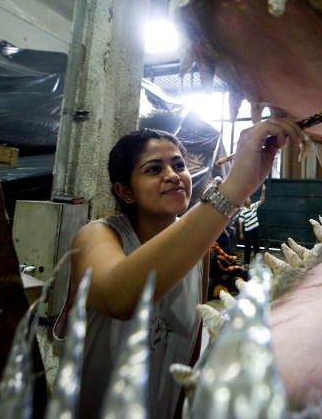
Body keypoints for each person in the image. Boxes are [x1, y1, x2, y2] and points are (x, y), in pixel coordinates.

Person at [56, 118, 302, 419]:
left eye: (178, 165)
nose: (173, 176)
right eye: (154, 169)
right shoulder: (96, 236)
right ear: (125, 192)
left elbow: (191, 344)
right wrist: (235, 187)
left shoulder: (198, 253)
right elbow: (117, 298)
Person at [238, 184, 266, 268]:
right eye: (247, 199)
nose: (249, 199)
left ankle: (258, 262)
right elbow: (240, 223)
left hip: (255, 230)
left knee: (257, 247)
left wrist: (263, 191)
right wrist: (241, 234)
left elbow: (262, 200)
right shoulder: (242, 212)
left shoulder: (254, 206)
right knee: (248, 248)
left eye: (249, 198)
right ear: (244, 202)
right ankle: (246, 263)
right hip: (248, 232)